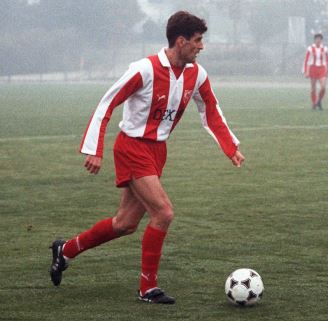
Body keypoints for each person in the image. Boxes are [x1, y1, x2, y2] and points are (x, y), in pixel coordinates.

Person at [49, 11, 245, 304]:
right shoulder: (145, 69)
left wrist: (230, 147)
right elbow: (107, 103)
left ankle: (65, 250)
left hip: (157, 151)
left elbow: (211, 110)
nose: (201, 46)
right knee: (163, 213)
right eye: (197, 40)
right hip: (132, 148)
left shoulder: (197, 74)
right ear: (181, 41)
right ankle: (147, 288)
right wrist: (94, 148)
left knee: (124, 223)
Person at [302, 33, 328, 110]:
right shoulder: (310, 48)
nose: (318, 40)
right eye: (317, 39)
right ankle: (314, 103)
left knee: (323, 87)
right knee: (313, 88)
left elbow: (327, 60)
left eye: (320, 39)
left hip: (322, 69)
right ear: (314, 40)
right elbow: (306, 60)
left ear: (321, 40)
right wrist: (306, 71)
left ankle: (319, 101)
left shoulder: (324, 49)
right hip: (313, 68)